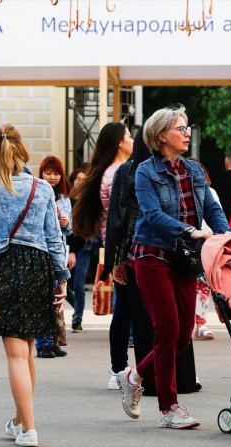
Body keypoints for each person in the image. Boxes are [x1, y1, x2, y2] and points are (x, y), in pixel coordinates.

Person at [116, 105, 231, 429]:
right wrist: (189, 230)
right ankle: (169, 408)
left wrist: (225, 237)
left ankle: (133, 376)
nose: (187, 132)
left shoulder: (193, 169)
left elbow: (211, 208)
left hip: (184, 258)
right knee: (167, 329)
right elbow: (152, 214)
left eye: (187, 127)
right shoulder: (145, 171)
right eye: (180, 128)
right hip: (152, 255)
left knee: (181, 338)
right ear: (161, 135)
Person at [0, 124, 69, 447]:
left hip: (6, 266)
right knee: (26, 351)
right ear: (20, 149)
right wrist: (61, 279)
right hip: (38, 268)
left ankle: (29, 430)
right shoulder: (42, 188)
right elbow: (54, 237)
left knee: (16, 354)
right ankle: (18, 421)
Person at [71, 122, 133, 389]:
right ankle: (120, 370)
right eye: (128, 136)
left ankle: (118, 369)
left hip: (117, 248)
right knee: (127, 312)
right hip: (126, 249)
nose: (132, 141)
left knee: (124, 311)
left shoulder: (109, 172)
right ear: (119, 142)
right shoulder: (118, 173)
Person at [34, 155, 71, 359]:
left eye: (56, 173)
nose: (52, 177)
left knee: (57, 299)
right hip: (43, 251)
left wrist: (66, 223)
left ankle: (55, 341)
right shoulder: (37, 194)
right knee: (44, 299)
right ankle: (43, 343)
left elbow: (71, 228)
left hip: (60, 251)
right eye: (48, 173)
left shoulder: (64, 198)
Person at [187, 157, 220, 340]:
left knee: (203, 285)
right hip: (186, 242)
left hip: (206, 243)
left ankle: (201, 323)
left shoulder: (211, 192)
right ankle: (189, 323)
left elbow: (217, 215)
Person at [66, 166, 91, 333]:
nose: (80, 182)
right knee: (65, 284)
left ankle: (77, 319)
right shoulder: (66, 201)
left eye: (83, 179)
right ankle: (77, 307)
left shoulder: (88, 202)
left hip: (84, 248)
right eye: (77, 179)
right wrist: (71, 251)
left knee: (79, 285)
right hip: (68, 247)